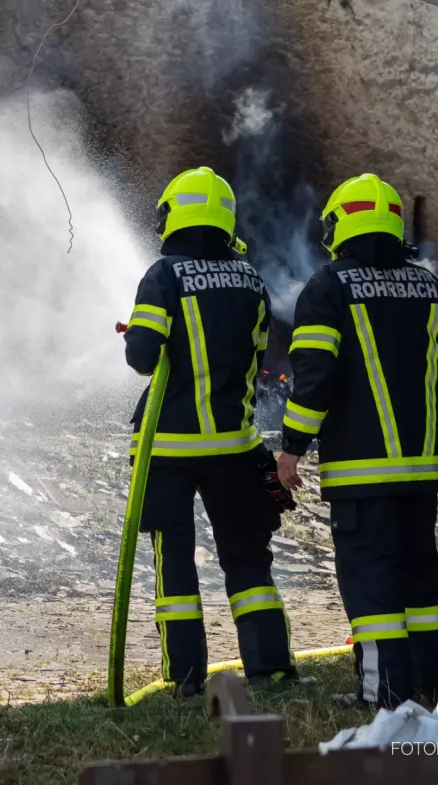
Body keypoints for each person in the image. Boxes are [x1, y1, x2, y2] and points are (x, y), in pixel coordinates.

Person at [276, 173, 438, 709]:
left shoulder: (328, 288)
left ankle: (382, 693)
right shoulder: (431, 290)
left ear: (339, 229)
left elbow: (314, 376)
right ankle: (429, 685)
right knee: (420, 585)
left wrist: (292, 446)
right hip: (421, 475)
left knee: (372, 586)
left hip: (360, 476)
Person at [123, 166, 296, 697]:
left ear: (173, 217)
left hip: (167, 451)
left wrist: (139, 335)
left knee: (175, 563)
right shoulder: (251, 279)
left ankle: (186, 678)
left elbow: (142, 357)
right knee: (248, 559)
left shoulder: (163, 275)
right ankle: (270, 668)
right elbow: (253, 357)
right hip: (234, 448)